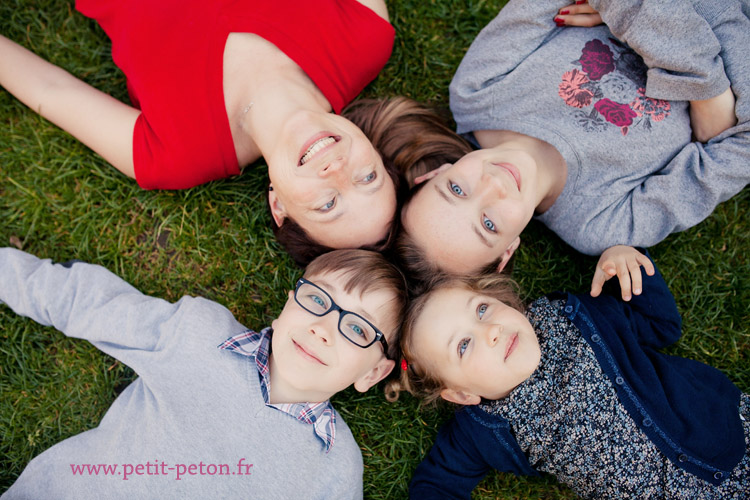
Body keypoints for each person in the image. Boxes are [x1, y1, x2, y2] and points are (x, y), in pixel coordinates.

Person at [0, 0, 398, 259]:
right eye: (368, 177)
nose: (339, 173)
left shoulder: (175, 156)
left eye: (327, 205)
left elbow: (49, 91)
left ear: (280, 207)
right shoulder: (364, 38)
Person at [0, 247, 406, 499]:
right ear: (286, 307)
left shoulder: (336, 465)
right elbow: (91, 304)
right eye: (318, 299)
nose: (324, 327)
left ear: (373, 373)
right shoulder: (198, 334)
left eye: (357, 328)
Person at [397, 0, 750, 276]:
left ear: (437, 173)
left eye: (457, 189)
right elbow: (740, 150)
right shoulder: (599, 224)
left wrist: (707, 91)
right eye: (489, 224)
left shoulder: (478, 91)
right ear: (508, 250)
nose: (494, 185)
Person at [387, 246, 749, 498]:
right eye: (463, 346)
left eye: (481, 310)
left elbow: (661, 325)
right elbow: (438, 482)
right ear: (462, 394)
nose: (491, 330)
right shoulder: (483, 430)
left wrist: (628, 262)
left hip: (729, 436)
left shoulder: (577, 318)